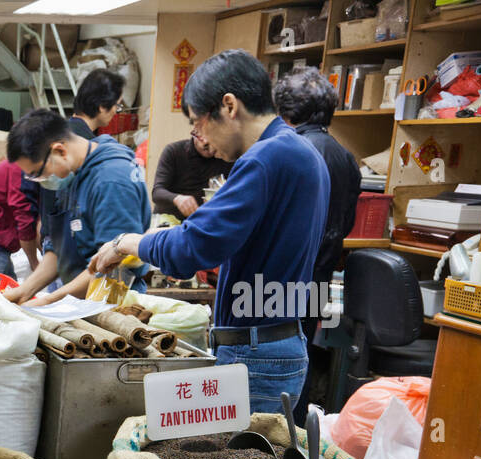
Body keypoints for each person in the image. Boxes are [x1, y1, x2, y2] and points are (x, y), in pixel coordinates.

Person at [87, 49, 330, 413]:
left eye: (198, 123)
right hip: (277, 340)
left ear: (229, 106)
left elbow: (190, 249)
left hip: (257, 350)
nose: (200, 137)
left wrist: (125, 243)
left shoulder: (265, 158)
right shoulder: (302, 151)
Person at [274, 66, 362, 420]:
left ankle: (268, 447)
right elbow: (348, 223)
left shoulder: (292, 152)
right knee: (302, 356)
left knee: (275, 363)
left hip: (281, 280)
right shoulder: (345, 157)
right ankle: (294, 443)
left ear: (287, 112)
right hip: (319, 278)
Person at [2, 108, 150, 305]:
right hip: (78, 301)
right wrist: (23, 292)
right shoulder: (72, 173)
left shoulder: (110, 182)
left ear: (60, 151)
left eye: (38, 172)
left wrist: (47, 303)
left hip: (113, 305)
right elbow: (59, 248)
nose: (41, 180)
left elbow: (112, 267)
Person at [151, 131, 232, 217]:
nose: (211, 151)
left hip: (204, 221)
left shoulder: (225, 158)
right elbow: (157, 192)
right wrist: (177, 199)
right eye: (206, 147)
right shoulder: (174, 151)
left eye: (215, 147)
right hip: (169, 221)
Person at [70, 68, 126, 138]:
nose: (115, 112)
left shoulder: (66, 129)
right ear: (102, 106)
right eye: (117, 105)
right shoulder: (85, 144)